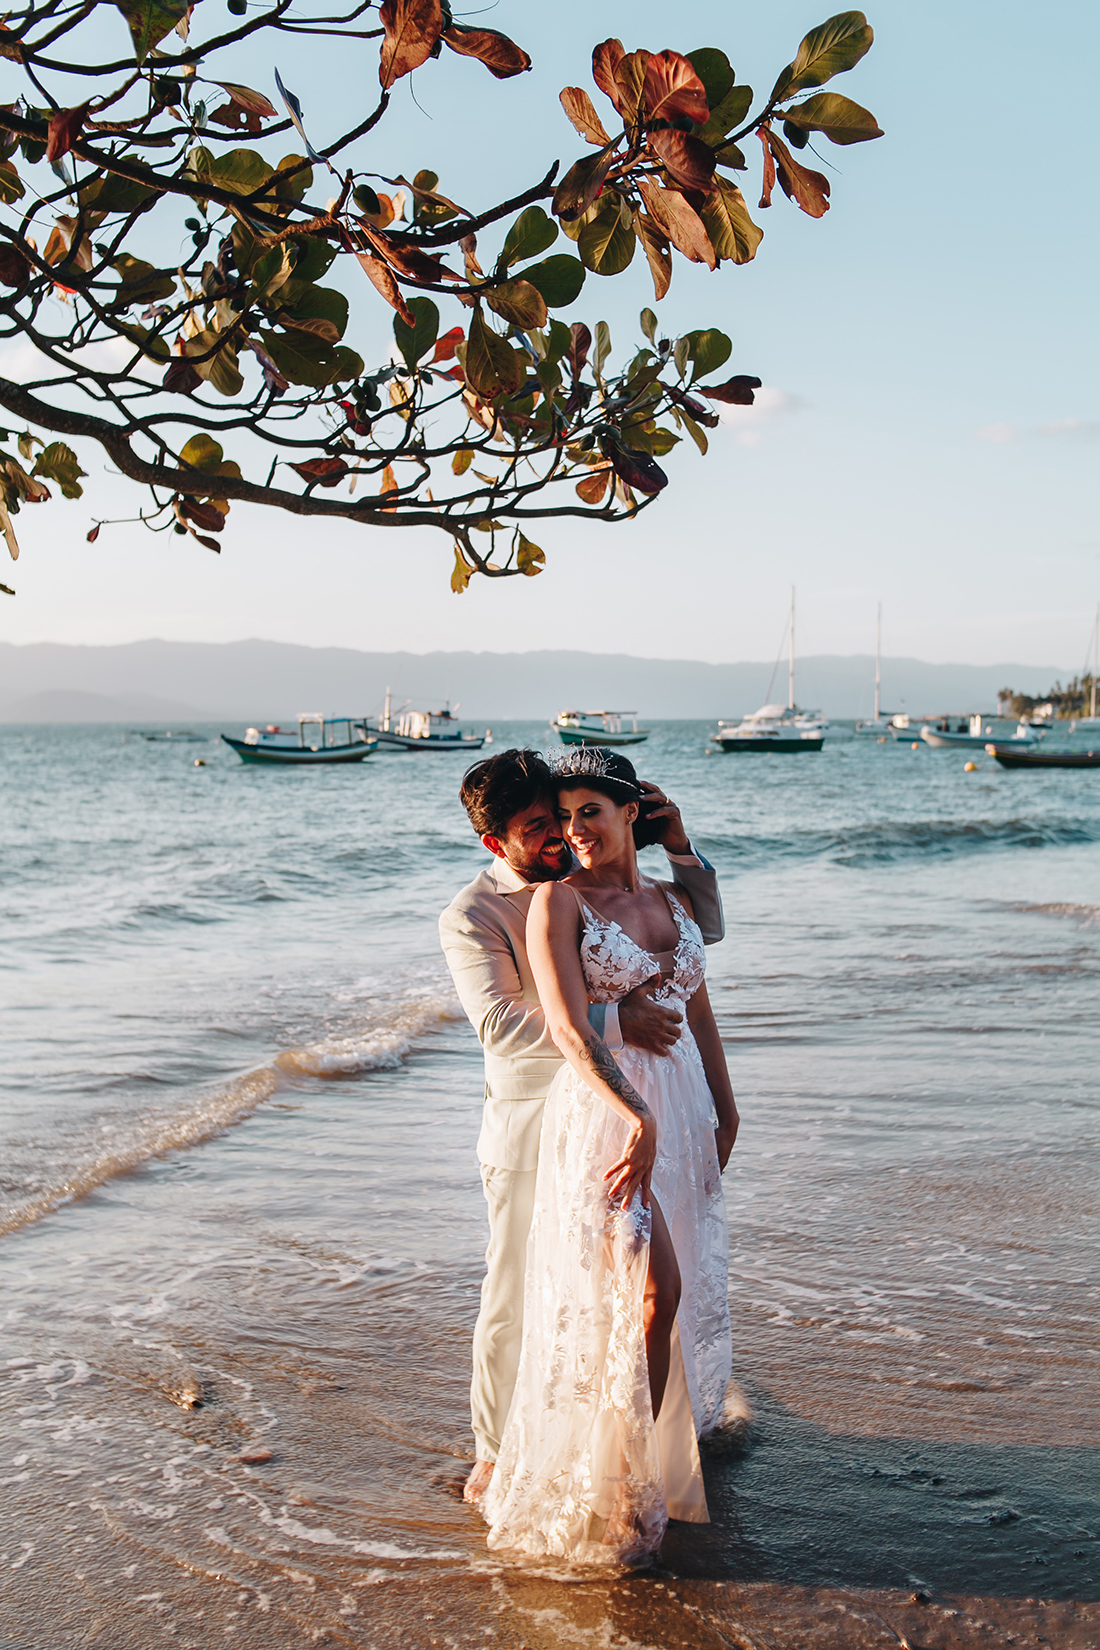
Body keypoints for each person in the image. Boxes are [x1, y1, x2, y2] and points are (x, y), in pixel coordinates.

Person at [439, 748, 724, 1506]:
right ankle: (498, 1452)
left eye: (564, 817)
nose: (559, 836)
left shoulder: (592, 885)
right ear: (496, 843)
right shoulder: (474, 914)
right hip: (534, 1125)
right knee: (517, 1293)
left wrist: (676, 843)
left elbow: (701, 941)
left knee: (631, 1283)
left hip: (625, 1109)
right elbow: (501, 1023)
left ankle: (629, 1436)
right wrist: (612, 1015)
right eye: (539, 827)